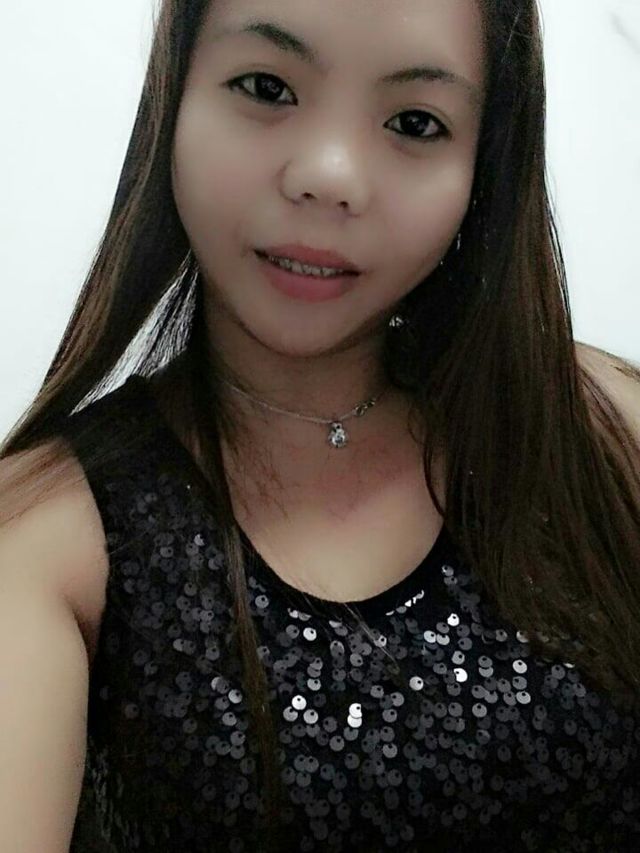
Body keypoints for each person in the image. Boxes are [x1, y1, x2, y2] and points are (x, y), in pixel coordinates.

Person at [1, 0, 639, 850]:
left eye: (415, 122)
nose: (331, 173)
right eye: (267, 87)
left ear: (484, 163)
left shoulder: (604, 428)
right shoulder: (46, 534)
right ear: (174, 98)